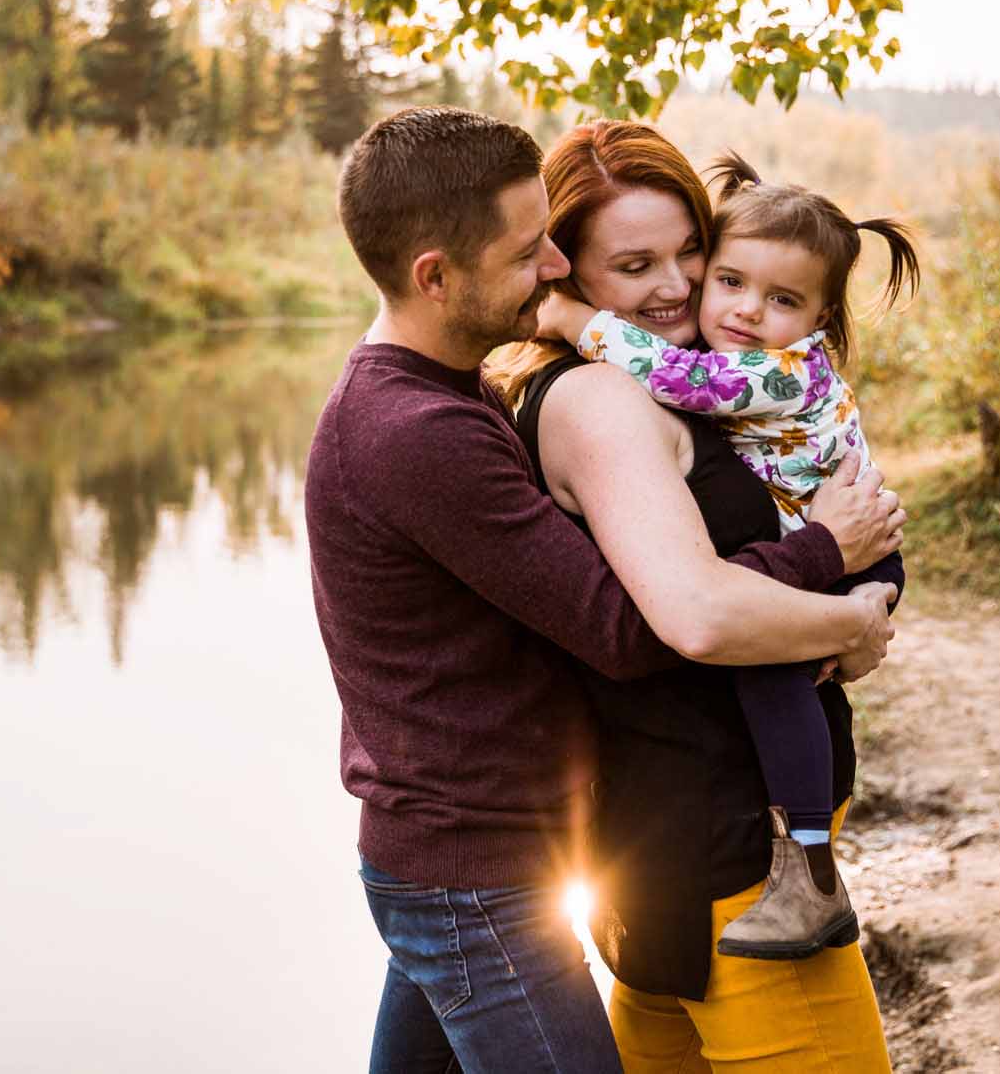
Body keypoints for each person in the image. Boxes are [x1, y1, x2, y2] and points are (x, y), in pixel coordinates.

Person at [305, 106, 905, 1073]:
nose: (679, 285)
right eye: (538, 253)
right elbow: (652, 623)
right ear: (437, 276)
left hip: (577, 849)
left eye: (693, 252)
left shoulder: (470, 390)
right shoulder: (480, 418)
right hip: (523, 868)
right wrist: (830, 581)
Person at [487, 120, 902, 1071]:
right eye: (635, 265)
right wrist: (848, 609)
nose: (675, 285)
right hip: (734, 872)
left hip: (667, 856)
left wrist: (842, 614)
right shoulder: (604, 399)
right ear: (563, 269)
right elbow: (701, 615)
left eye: (690, 252)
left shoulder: (677, 386)